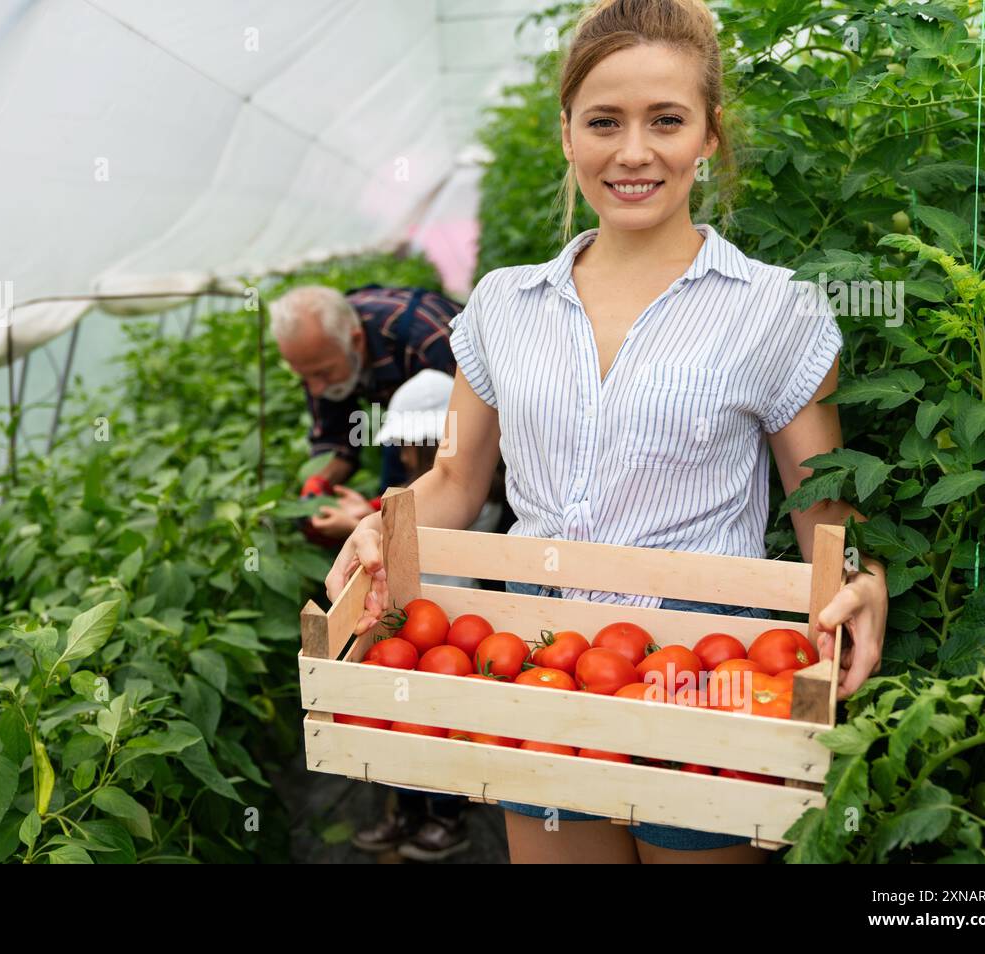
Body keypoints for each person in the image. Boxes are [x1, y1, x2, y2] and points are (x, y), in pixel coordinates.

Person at [323, 0, 889, 864]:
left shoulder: (777, 310)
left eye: (667, 120)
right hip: (533, 666)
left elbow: (826, 514)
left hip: (710, 668)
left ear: (709, 135)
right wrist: (382, 527)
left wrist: (864, 580)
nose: (633, 151)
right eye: (604, 121)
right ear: (566, 134)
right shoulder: (504, 305)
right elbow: (457, 483)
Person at [339, 369, 501, 861]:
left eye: (412, 446)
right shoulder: (460, 496)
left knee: (440, 727)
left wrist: (361, 521)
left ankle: (446, 814)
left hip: (447, 634)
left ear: (434, 444)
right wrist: (365, 519)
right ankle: (411, 810)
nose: (404, 456)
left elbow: (416, 534)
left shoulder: (482, 507)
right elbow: (402, 518)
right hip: (414, 633)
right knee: (408, 727)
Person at [269, 283, 463, 546]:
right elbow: (337, 438)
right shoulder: (326, 350)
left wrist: (371, 520)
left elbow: (466, 461)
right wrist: (318, 485)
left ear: (356, 341)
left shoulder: (428, 342)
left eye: (322, 373)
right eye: (305, 376)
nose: (315, 388)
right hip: (409, 430)